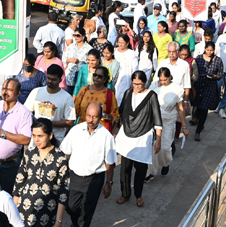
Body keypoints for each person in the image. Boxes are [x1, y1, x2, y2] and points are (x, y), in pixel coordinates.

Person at [61, 103, 117, 227]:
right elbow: (65, 153)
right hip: (74, 177)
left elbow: (110, 163)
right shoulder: (76, 130)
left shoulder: (106, 137)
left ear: (100, 117)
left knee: (87, 211)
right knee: (70, 206)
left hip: (93, 179)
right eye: (88, 116)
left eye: (95, 117)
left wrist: (109, 183)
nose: (90, 120)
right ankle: (76, 223)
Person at [116, 71, 162, 207]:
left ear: (145, 82)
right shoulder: (127, 93)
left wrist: (158, 140)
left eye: (139, 84)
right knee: (125, 168)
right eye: (134, 84)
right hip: (127, 135)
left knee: (140, 169)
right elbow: (122, 112)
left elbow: (157, 119)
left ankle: (138, 194)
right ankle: (125, 194)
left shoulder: (151, 96)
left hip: (143, 137)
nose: (136, 87)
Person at [13, 119, 69, 227]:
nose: (36, 140)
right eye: (34, 135)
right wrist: (13, 214)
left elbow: (64, 191)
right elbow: (18, 184)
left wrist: (59, 221)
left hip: (47, 212)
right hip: (24, 210)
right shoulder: (28, 153)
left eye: (40, 136)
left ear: (50, 135)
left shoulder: (60, 157)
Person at [147, 68, 188, 180]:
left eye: (165, 79)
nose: (163, 82)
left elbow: (180, 109)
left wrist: (184, 126)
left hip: (168, 121)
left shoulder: (177, 89)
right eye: (161, 80)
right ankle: (151, 172)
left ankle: (165, 163)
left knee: (165, 147)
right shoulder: (154, 86)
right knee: (152, 146)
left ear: (170, 77)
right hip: (154, 120)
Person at [24, 65, 76, 143]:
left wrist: (48, 124)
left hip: (56, 139)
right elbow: (26, 112)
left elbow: (70, 121)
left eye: (54, 79)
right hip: (36, 138)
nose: (50, 81)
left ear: (60, 80)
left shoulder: (67, 98)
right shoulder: (36, 92)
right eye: (48, 78)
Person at [192, 42, 224, 140]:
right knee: (197, 105)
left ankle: (198, 131)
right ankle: (197, 118)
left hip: (210, 86)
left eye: (211, 50)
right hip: (198, 85)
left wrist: (215, 76)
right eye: (208, 50)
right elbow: (194, 70)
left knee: (204, 107)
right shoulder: (199, 58)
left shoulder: (218, 60)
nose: (209, 52)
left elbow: (220, 74)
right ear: (205, 49)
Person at [74, 66, 119, 132]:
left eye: (100, 76)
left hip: (101, 130)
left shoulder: (109, 94)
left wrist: (105, 116)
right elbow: (76, 111)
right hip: (82, 129)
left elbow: (115, 114)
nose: (96, 78)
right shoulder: (84, 90)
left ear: (105, 79)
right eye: (95, 75)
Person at [63, 27, 92, 95]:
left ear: (83, 36)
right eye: (74, 35)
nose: (76, 37)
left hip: (81, 77)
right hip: (69, 77)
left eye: (78, 35)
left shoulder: (89, 49)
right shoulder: (70, 47)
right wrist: (70, 60)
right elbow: (64, 59)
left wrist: (80, 62)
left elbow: (90, 62)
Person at [114, 35, 139, 106]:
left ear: (127, 43)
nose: (120, 44)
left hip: (125, 77)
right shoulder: (115, 51)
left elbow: (135, 68)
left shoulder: (131, 53)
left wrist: (134, 80)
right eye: (119, 42)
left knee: (121, 96)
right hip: (114, 76)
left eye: (122, 42)